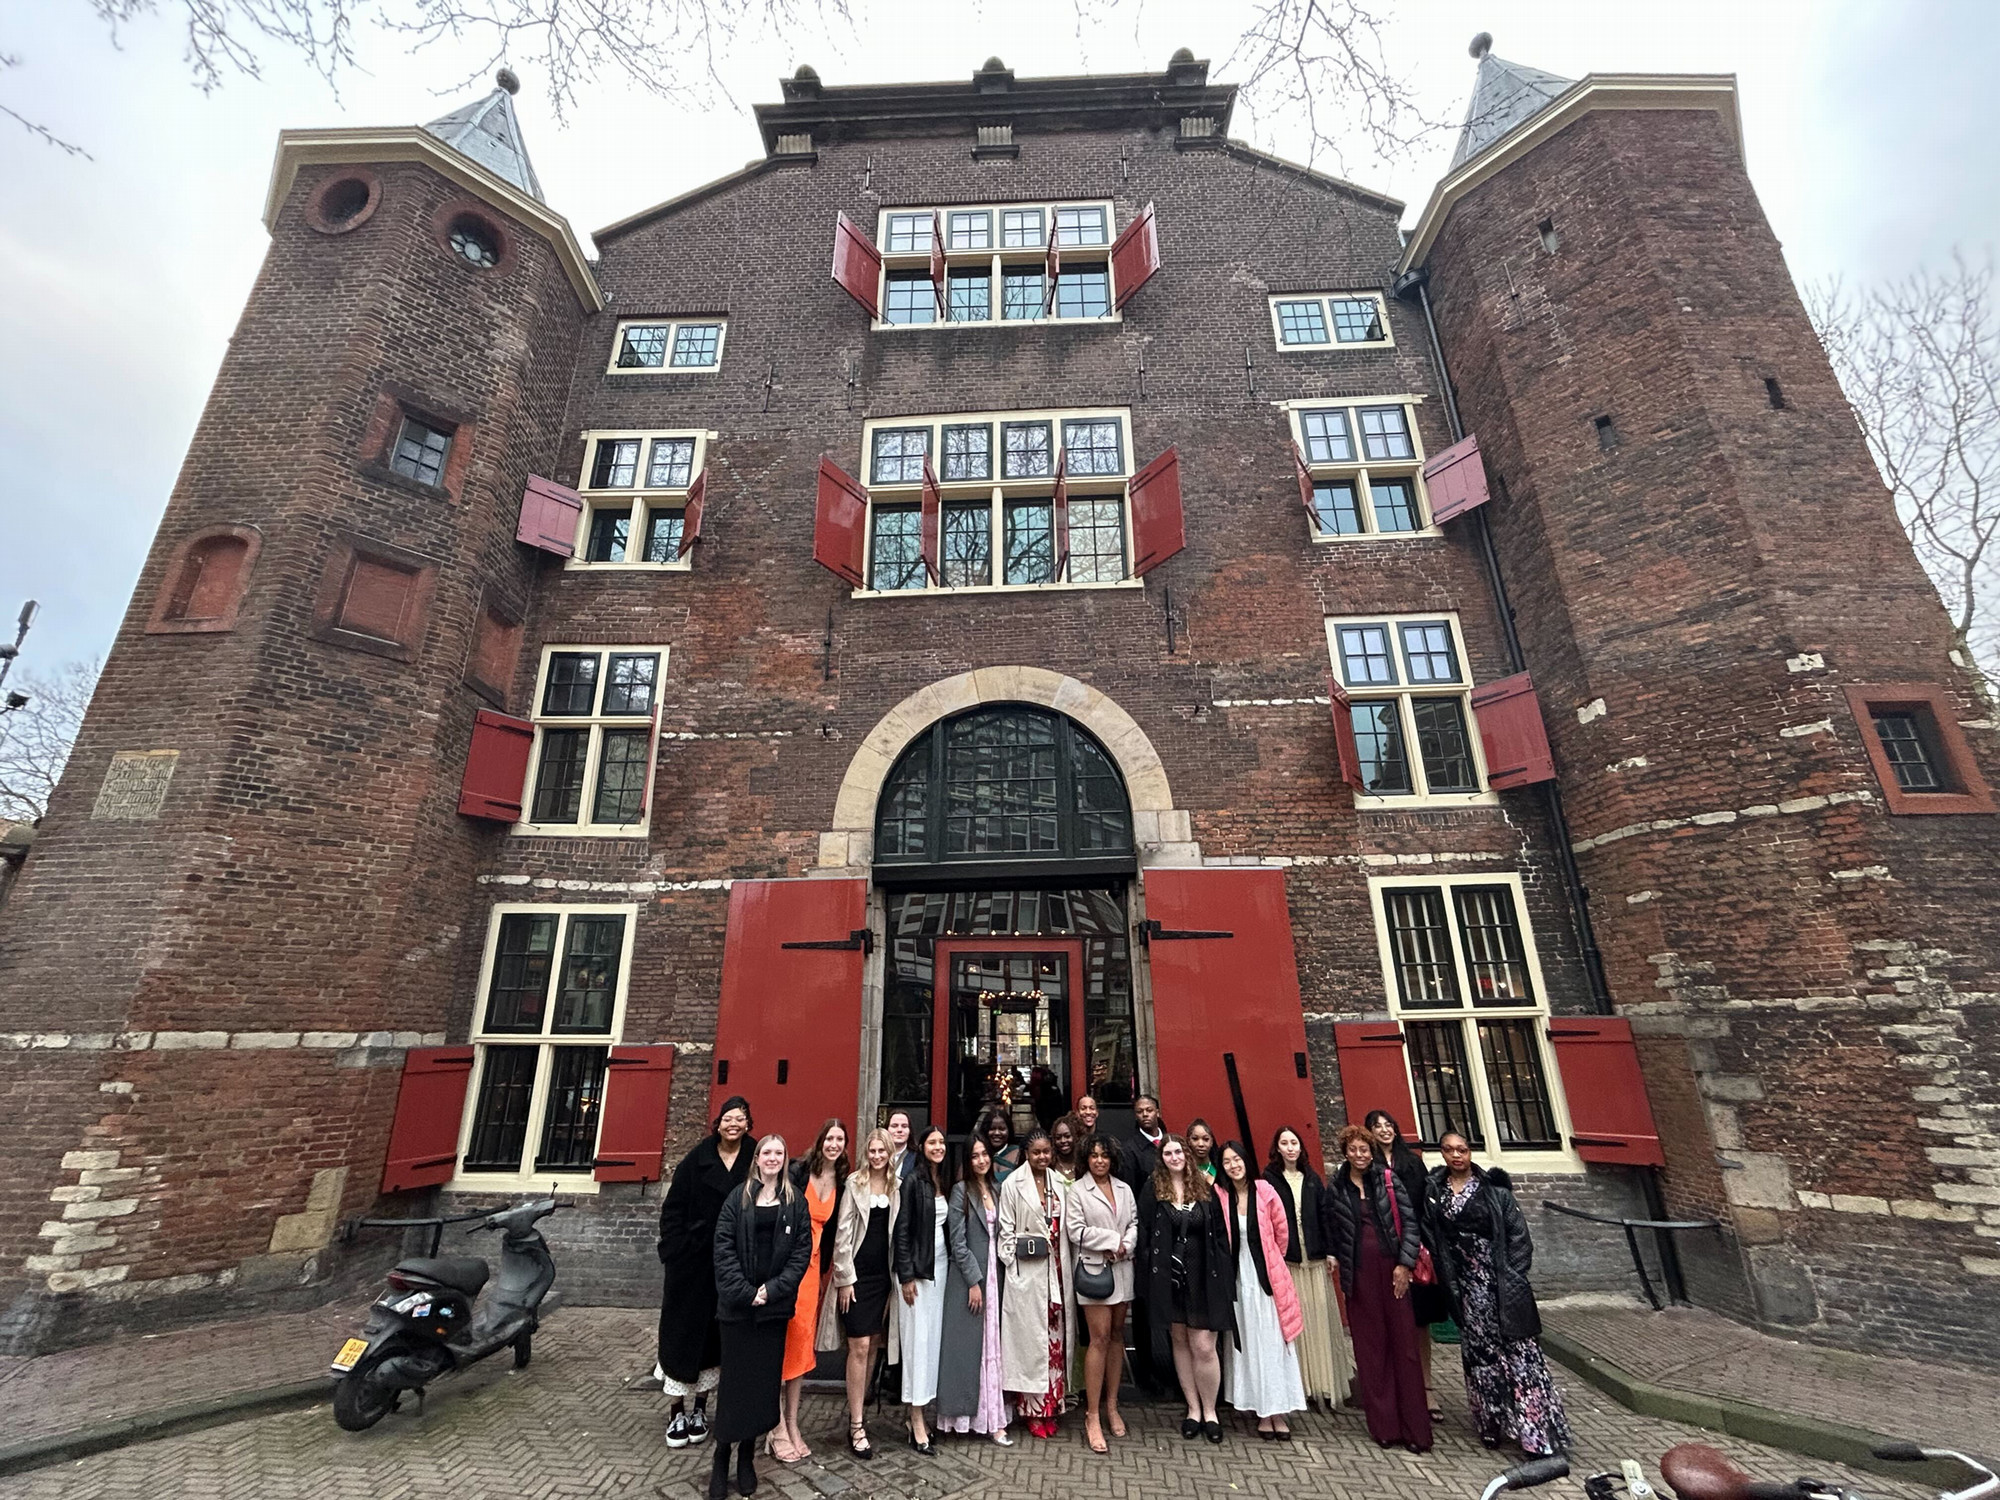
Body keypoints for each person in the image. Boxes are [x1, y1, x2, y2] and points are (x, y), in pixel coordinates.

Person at [1427, 1132, 1572, 1455]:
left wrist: (1511, 1277)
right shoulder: (1435, 1192)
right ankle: (1490, 1423)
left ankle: (1535, 1434)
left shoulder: (1494, 1191)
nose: (1456, 1156)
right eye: (1449, 1150)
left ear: (1470, 1152)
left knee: (1520, 1357)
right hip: (1465, 1288)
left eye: (1462, 1150)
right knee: (1480, 1358)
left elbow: (1520, 1238)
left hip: (1500, 1287)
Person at [710, 1134, 812, 1500]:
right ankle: (722, 1454)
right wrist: (745, 1292)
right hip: (738, 1310)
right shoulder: (736, 1199)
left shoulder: (795, 1202)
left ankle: (747, 1457)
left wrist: (772, 1290)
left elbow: (802, 1252)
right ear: (756, 1159)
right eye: (766, 1152)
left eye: (779, 1153)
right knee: (734, 1384)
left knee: (762, 1386)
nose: (772, 1158)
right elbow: (722, 1249)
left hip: (773, 1310)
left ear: (785, 1160)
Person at [1322, 1124, 1431, 1453]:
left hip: (1392, 1271)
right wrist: (1333, 1257)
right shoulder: (1337, 1187)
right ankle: (1384, 1427)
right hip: (1359, 1276)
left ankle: (1415, 1429)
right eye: (1353, 1150)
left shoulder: (1387, 1179)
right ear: (1345, 1152)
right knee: (1371, 1351)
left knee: (1405, 1348)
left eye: (1364, 1149)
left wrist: (1404, 1263)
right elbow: (1332, 1227)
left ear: (1372, 1152)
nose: (1359, 1155)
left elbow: (1411, 1222)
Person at [657, 1096, 753, 1448]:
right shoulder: (695, 1160)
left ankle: (701, 1408)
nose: (733, 1124)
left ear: (747, 1124)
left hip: (731, 1264)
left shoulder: (756, 1157)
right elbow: (673, 1210)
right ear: (718, 1123)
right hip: (692, 1264)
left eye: (740, 1119)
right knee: (681, 1332)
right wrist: (676, 1252)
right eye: (728, 1118)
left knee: (715, 1338)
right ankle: (675, 1411)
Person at [1142, 1133, 1234, 1443]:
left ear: (1187, 1155)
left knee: (1204, 1346)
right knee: (1179, 1341)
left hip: (1204, 1279)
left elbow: (1221, 1237)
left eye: (1178, 1151)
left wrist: (1225, 1277)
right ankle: (1192, 1409)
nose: (1174, 1157)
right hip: (1171, 1281)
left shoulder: (1205, 1191)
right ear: (1162, 1158)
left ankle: (1211, 1411)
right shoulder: (1153, 1189)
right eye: (1168, 1153)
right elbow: (1143, 1233)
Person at [1216, 1141, 1305, 1439]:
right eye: (1227, 1161)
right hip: (1238, 1281)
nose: (1233, 1165)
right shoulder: (1221, 1195)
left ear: (1246, 1160)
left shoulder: (1265, 1191)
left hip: (1267, 1279)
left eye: (1237, 1159)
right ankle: (1259, 1409)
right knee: (1248, 1344)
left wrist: (1271, 1262)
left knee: (1272, 1342)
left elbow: (1282, 1232)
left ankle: (1278, 1410)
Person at [1262, 1125, 1353, 1414]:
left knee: (1319, 1322)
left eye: (1294, 1142)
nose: (1290, 1148)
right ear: (1277, 1148)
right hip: (1287, 1263)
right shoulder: (1269, 1180)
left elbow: (1326, 1217)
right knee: (1294, 1325)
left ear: (1301, 1148)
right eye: (1284, 1143)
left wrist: (1330, 1251)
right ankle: (1300, 1385)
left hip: (1313, 1260)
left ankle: (1324, 1386)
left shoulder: (1312, 1179)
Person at [1367, 1109, 1451, 1416]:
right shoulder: (1366, 1166)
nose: (1385, 1130)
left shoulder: (1412, 1163)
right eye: (1377, 1127)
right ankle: (1397, 1387)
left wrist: (1419, 1245)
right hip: (1382, 1251)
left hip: (1413, 1249)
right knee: (1387, 1320)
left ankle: (1426, 1388)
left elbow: (1425, 1207)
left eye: (1389, 1125)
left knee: (1419, 1322)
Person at [777, 1119, 847, 1463]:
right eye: (830, 1138)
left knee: (802, 1342)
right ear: (820, 1141)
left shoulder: (843, 1182)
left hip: (816, 1271)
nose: (834, 1144)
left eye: (840, 1139)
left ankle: (792, 1422)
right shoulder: (798, 1173)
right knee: (782, 1338)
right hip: (790, 1268)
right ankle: (775, 1425)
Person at [997, 1128, 1074, 1438]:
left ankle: (1053, 1408)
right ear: (1025, 1155)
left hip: (1057, 1269)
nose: (1042, 1157)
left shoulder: (1061, 1183)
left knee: (1054, 1342)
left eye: (1046, 1151)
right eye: (1036, 1152)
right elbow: (1004, 1232)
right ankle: (1031, 1411)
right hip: (1028, 1274)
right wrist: (1017, 1258)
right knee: (1031, 1345)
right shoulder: (1012, 1186)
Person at [938, 1135, 1013, 1445]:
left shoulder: (996, 1189)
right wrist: (973, 1281)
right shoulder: (960, 1192)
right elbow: (956, 1241)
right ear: (966, 1162)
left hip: (997, 1274)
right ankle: (961, 1418)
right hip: (972, 1279)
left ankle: (993, 1417)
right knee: (968, 1351)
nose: (981, 1160)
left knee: (993, 1346)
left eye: (984, 1155)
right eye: (975, 1156)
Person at [1065, 1133, 1137, 1454]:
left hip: (1123, 1269)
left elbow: (1134, 1223)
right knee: (1099, 1338)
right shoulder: (1078, 1191)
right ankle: (1092, 1415)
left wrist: (1127, 1245)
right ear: (1086, 1158)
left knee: (1119, 1335)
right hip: (1095, 1272)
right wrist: (1112, 1240)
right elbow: (1075, 1230)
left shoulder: (1124, 1188)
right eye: (1094, 1155)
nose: (1099, 1160)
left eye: (1104, 1155)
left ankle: (1112, 1405)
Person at [833, 1127, 901, 1460]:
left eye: (882, 1151)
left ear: (890, 1153)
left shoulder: (897, 1187)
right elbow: (843, 1233)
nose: (876, 1156)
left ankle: (861, 1408)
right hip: (858, 1276)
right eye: (872, 1151)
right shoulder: (854, 1184)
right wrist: (845, 1278)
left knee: (873, 1342)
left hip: (882, 1278)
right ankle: (856, 1424)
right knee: (858, 1344)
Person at [894, 1126, 951, 1453]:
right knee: (916, 1344)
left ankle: (918, 1411)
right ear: (922, 1146)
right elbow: (902, 1231)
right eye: (933, 1142)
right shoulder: (913, 1181)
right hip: (918, 1273)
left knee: (930, 1345)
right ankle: (916, 1420)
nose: (939, 1147)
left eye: (942, 1142)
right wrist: (906, 1276)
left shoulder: (941, 1180)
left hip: (940, 1271)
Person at [1120, 1093, 1168, 1398]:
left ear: (1158, 1112)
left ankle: (1173, 1368)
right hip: (1148, 1233)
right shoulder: (1130, 1150)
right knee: (1144, 1303)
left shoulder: (1171, 1146)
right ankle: (1147, 1370)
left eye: (1149, 1110)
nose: (1145, 1115)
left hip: (1177, 1231)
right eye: (1140, 1111)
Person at [981, 1108, 1022, 1182]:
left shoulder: (1019, 1154)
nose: (997, 1133)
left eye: (1002, 1129)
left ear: (1009, 1130)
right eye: (992, 1129)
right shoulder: (977, 1153)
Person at [1050, 1113, 1083, 1184]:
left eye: (1067, 1136)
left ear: (1075, 1137)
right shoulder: (1050, 1164)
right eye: (1058, 1138)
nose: (1063, 1141)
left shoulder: (1083, 1164)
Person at [887, 1109, 917, 1184]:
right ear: (886, 1129)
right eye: (894, 1126)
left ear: (910, 1131)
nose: (899, 1130)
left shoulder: (918, 1158)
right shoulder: (877, 1155)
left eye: (904, 1126)